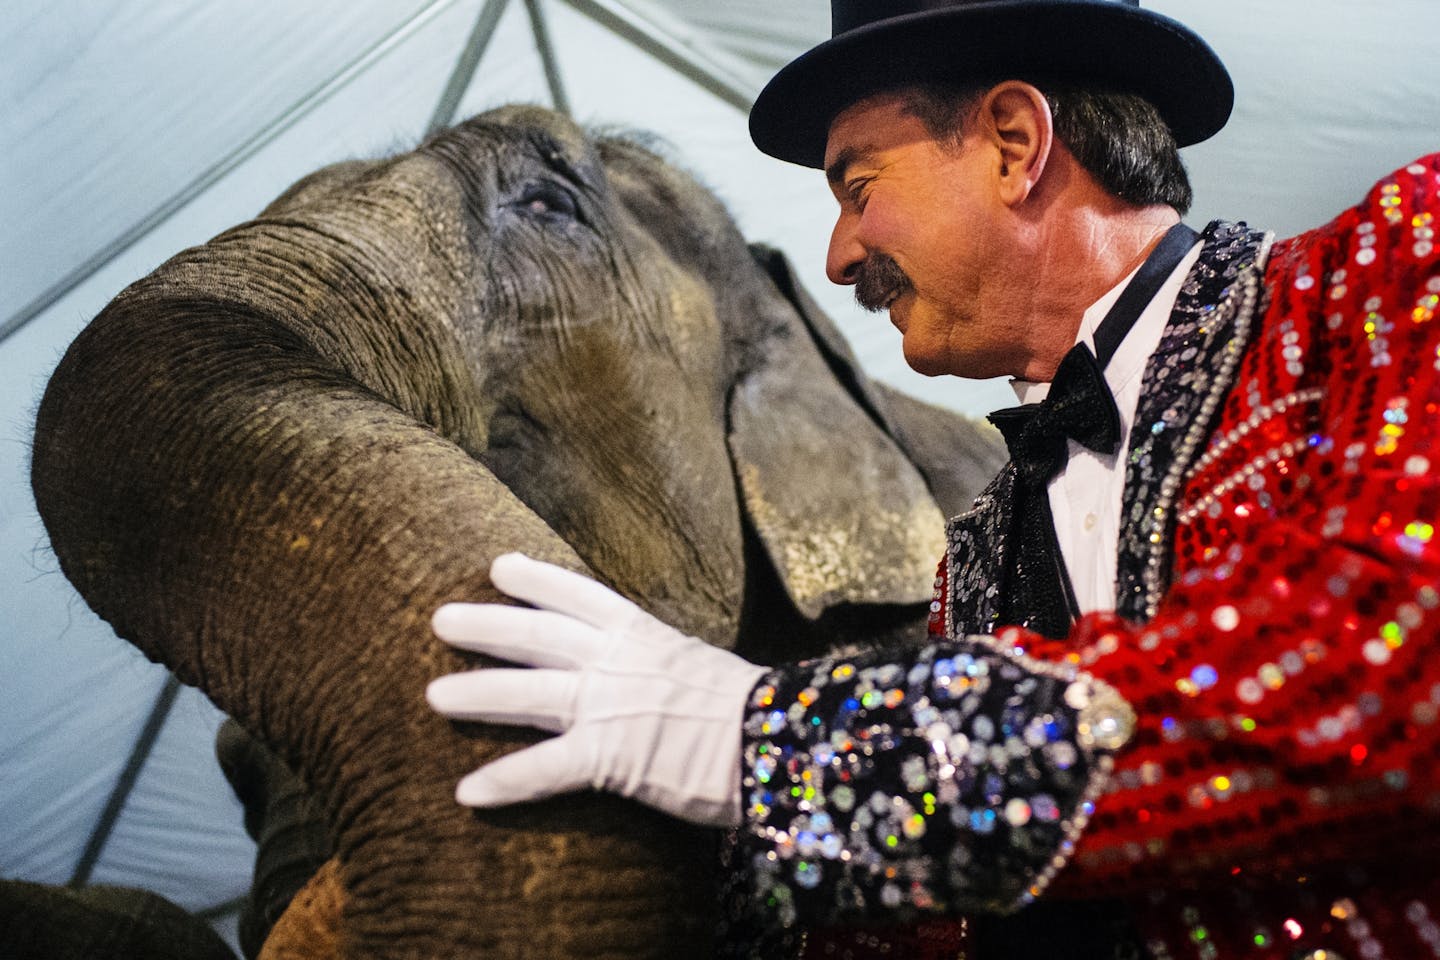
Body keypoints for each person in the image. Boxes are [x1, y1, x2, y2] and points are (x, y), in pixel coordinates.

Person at [424, 1, 1440, 957]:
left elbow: (1379, 665)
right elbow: (951, 894)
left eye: (859, 187)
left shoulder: (1395, 266)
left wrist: (758, 741)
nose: (835, 255)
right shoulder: (980, 550)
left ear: (1012, 143)